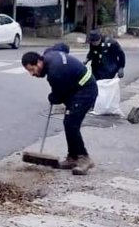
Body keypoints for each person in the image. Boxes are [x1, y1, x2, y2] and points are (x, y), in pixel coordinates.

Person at [21, 44, 98, 175]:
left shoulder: (55, 72)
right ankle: (72, 157)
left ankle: (84, 158)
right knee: (68, 122)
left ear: (39, 62)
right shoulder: (49, 55)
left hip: (86, 90)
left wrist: (52, 97)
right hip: (76, 88)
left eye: (32, 69)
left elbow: (58, 96)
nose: (32, 74)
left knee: (71, 123)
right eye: (29, 71)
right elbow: (62, 47)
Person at [85, 30, 126, 116]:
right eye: (92, 42)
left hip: (109, 68)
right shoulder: (93, 44)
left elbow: (121, 54)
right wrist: (87, 59)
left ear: (99, 38)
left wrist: (121, 67)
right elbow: (91, 52)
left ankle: (106, 105)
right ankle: (95, 105)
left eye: (95, 42)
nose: (94, 44)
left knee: (105, 88)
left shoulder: (111, 43)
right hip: (96, 67)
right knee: (94, 86)